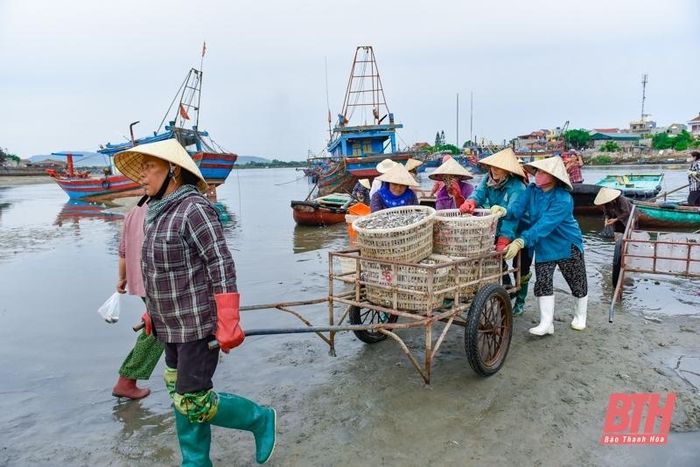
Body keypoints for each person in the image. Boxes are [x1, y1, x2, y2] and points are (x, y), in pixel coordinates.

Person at [114, 139, 276, 465]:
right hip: (168, 325)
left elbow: (220, 263)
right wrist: (152, 313)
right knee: (180, 395)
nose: (142, 176)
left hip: (196, 324)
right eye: (141, 168)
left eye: (149, 168)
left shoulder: (194, 209)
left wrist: (229, 318)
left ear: (173, 170)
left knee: (194, 400)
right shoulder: (155, 212)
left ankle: (260, 418)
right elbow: (160, 271)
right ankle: (195, 462)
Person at [491, 156, 588, 335]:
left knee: (577, 281)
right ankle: (546, 323)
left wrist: (521, 241)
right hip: (543, 244)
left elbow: (545, 224)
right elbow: (517, 209)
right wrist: (505, 211)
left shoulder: (563, 198)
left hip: (567, 243)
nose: (538, 175)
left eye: (543, 172)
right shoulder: (532, 190)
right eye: (537, 171)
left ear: (553, 177)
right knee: (543, 281)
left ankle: (580, 316)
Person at [459, 148, 532, 316]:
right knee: (495, 257)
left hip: (522, 229)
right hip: (498, 225)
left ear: (508, 170)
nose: (494, 170)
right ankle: (507, 286)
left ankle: (520, 302)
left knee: (522, 267)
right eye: (492, 167)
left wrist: (505, 238)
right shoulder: (488, 179)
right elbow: (479, 193)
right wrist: (471, 201)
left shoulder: (518, 187)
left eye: (499, 167)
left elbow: (513, 215)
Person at [112, 195, 164, 400]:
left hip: (140, 281)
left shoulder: (134, 212)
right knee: (156, 331)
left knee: (159, 326)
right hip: (158, 282)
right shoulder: (160, 211)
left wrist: (122, 278)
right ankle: (127, 380)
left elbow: (123, 253)